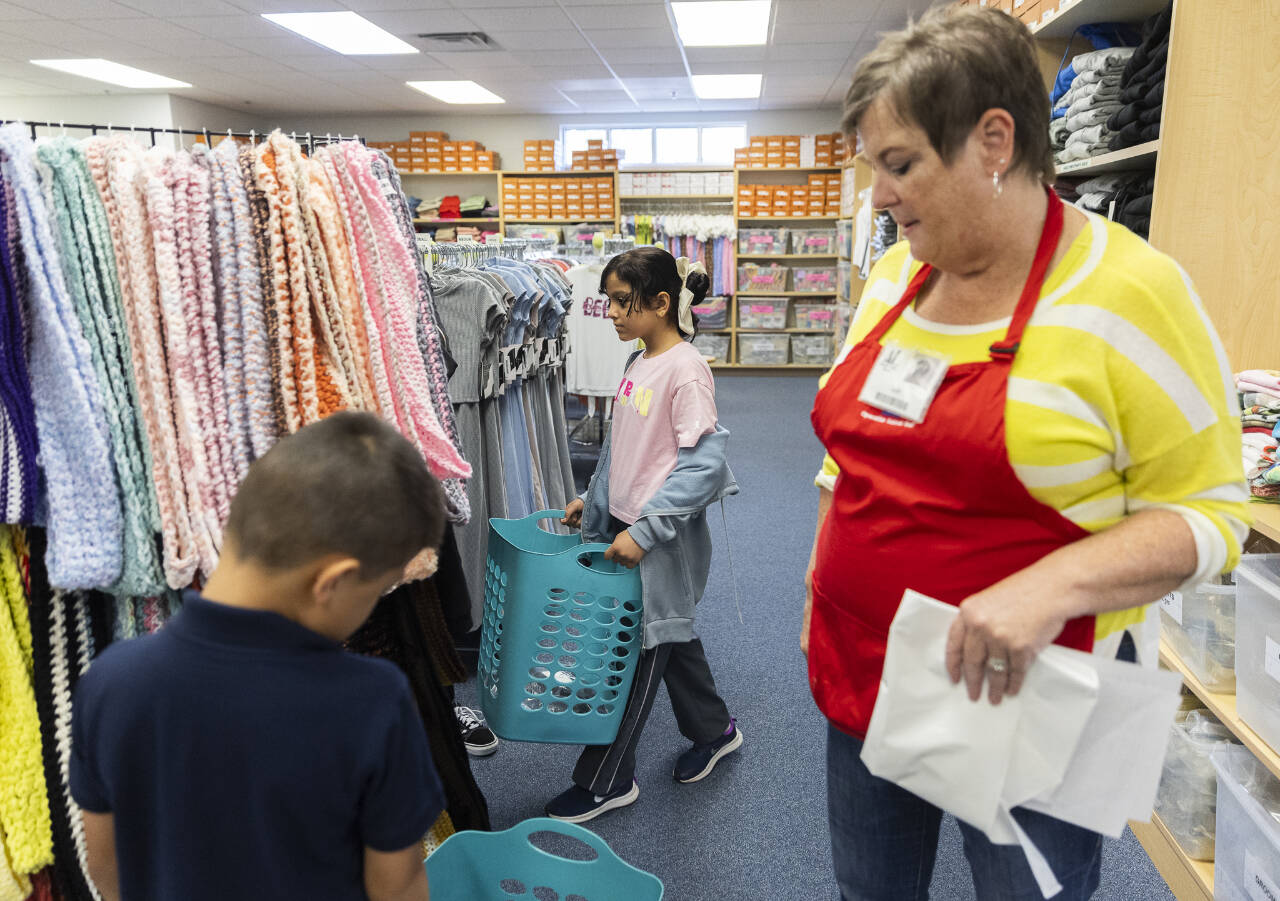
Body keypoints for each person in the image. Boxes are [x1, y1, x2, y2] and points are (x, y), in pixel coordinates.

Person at [805, 7, 1251, 900]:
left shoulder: (1131, 293)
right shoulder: (899, 273)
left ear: (993, 140)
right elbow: (850, 457)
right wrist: (823, 579)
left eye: (900, 165)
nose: (880, 196)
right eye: (874, 169)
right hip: (865, 671)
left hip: (1033, 704)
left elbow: (1214, 514)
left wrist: (1052, 586)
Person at [71, 412, 449, 901]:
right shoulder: (374, 701)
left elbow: (102, 865)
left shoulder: (109, 680)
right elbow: (396, 888)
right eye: (377, 591)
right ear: (331, 582)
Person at [546, 246, 741, 823]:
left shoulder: (687, 370)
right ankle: (716, 729)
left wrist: (648, 529)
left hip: (662, 541)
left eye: (622, 302)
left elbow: (703, 467)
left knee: (637, 651)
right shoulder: (637, 363)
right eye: (608, 300)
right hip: (629, 528)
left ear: (661, 303)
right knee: (670, 637)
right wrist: (594, 499)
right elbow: (622, 450)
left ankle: (607, 780)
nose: (610, 312)